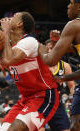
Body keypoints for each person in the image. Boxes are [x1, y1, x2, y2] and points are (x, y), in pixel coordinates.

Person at [0, 12, 59, 131]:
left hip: (44, 95)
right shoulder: (4, 48)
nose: (7, 19)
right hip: (25, 99)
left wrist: (5, 32)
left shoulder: (29, 41)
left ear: (20, 24)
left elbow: (7, 60)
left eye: (12, 17)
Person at [38, 0, 80, 130]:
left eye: (71, 2)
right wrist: (59, 43)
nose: (68, 6)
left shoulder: (74, 25)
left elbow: (50, 60)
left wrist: (38, 46)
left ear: (79, 6)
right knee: (75, 125)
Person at [39, 39, 75, 131]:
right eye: (49, 48)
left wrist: (73, 101)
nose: (51, 51)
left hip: (56, 103)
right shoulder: (39, 65)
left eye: (53, 48)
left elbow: (72, 86)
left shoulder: (65, 66)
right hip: (40, 102)